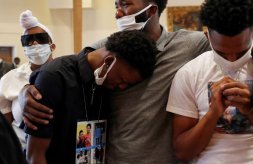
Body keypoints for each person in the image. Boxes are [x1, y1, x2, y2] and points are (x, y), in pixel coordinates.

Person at [20, 0, 253, 163]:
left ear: (152, 9)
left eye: (125, 4)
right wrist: (28, 92)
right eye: (116, 5)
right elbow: (67, 70)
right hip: (114, 158)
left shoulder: (188, 44)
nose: (118, 12)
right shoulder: (107, 47)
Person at [166, 0, 253, 163]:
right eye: (221, 52)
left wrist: (252, 112)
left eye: (241, 52)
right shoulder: (190, 73)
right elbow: (183, 153)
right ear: (208, 37)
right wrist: (214, 112)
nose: (231, 59)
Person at [24, 30, 158, 164]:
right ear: (109, 61)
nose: (122, 88)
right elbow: (35, 156)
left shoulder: (106, 84)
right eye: (122, 80)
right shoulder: (54, 77)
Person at [0, 10, 56, 150]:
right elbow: (4, 127)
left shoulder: (65, 76)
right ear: (24, 49)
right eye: (28, 41)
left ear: (52, 46)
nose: (34, 43)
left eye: (40, 38)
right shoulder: (11, 78)